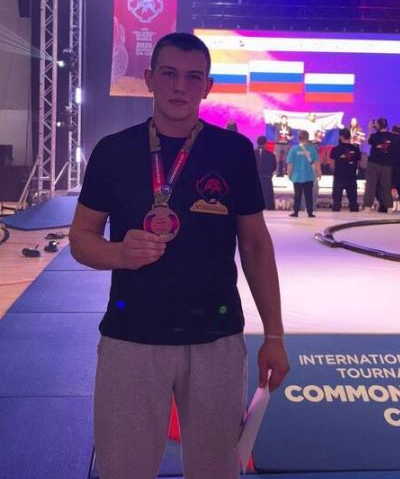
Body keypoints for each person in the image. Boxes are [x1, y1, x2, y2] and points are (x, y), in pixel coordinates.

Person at [68, 32, 289, 479]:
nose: (180, 86)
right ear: (149, 78)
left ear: (207, 87)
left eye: (193, 77)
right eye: (169, 74)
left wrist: (275, 335)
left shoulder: (233, 152)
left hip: (215, 338)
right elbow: (81, 238)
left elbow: (255, 245)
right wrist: (118, 254)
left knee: (216, 470)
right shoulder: (113, 151)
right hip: (132, 336)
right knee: (123, 470)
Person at [287, 129, 321, 218]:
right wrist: (319, 173)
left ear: (298, 138)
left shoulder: (294, 149)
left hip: (297, 176)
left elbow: (290, 163)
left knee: (297, 194)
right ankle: (310, 212)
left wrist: (289, 174)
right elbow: (316, 162)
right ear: (308, 138)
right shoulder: (312, 149)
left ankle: (296, 212)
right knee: (309, 195)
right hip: (309, 176)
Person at [364, 118, 393, 212]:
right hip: (387, 164)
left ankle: (368, 206)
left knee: (371, 185)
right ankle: (389, 207)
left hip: (374, 163)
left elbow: (368, 141)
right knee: (386, 186)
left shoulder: (374, 136)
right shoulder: (391, 137)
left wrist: (369, 129)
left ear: (378, 126)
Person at [330, 128, 360, 212]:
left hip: (339, 176)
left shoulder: (336, 149)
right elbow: (358, 163)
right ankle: (355, 218)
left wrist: (334, 172)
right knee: (353, 202)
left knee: (336, 202)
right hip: (351, 176)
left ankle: (335, 217)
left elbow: (332, 164)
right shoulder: (355, 149)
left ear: (341, 137)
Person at [255, 135, 276, 210]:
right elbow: (274, 167)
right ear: (265, 143)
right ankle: (269, 206)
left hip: (254, 177)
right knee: (268, 192)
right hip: (266, 177)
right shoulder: (271, 155)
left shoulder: (251, 153)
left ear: (257, 142)